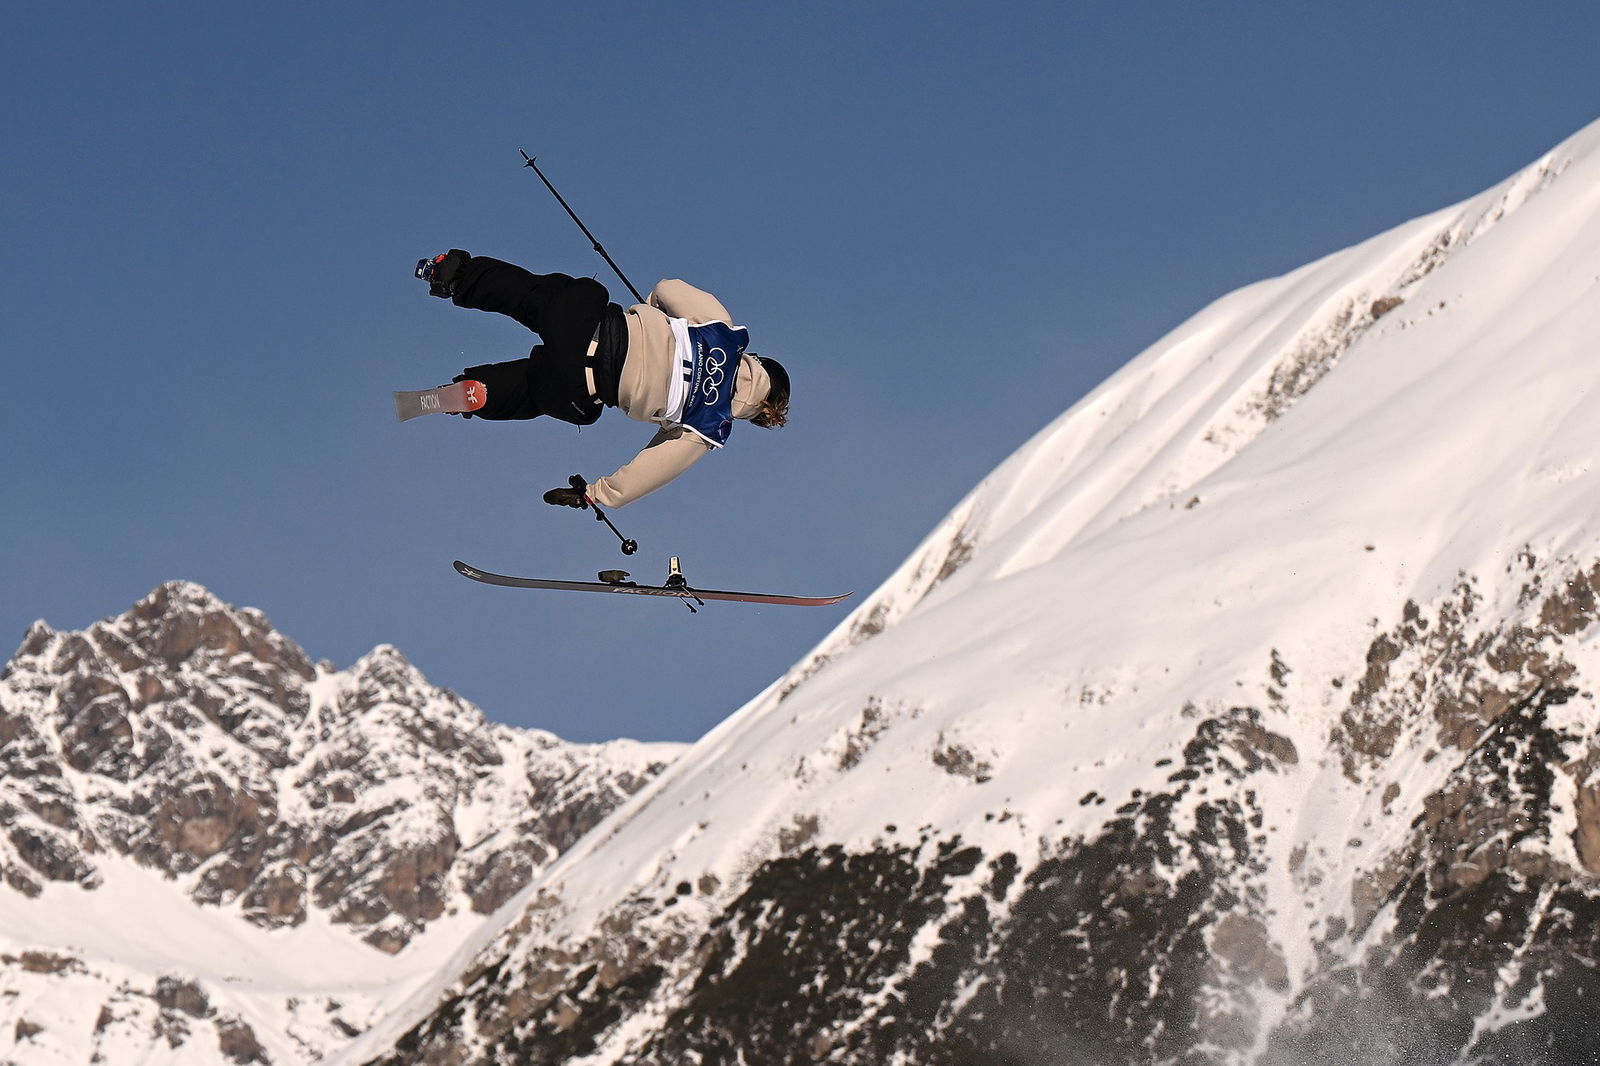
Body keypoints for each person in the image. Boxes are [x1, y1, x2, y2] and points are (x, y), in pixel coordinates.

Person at [415, 250, 790, 509]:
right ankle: (474, 394)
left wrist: (653, 314)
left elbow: (668, 287)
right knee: (532, 391)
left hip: (592, 322)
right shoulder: (711, 424)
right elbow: (655, 467)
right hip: (584, 383)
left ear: (757, 362)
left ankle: (454, 275)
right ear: (756, 414)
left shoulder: (724, 331)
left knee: (530, 294)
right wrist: (595, 494)